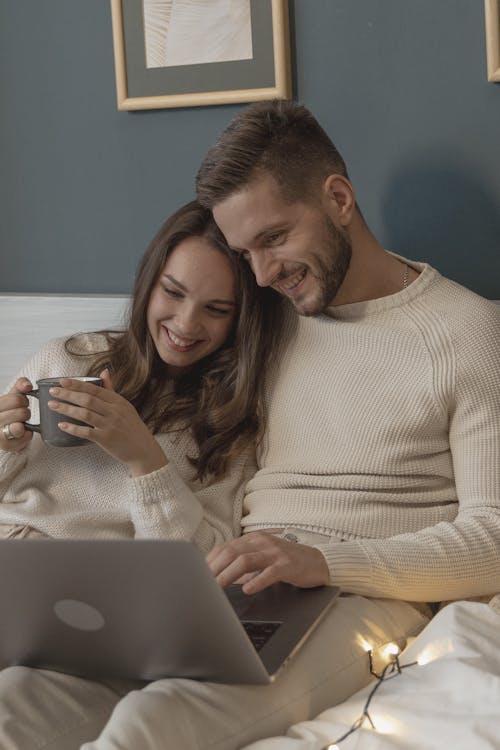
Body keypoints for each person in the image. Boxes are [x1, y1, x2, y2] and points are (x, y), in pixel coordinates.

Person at [2, 102, 500, 749]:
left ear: (339, 198)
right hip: (231, 579)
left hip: (355, 593)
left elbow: (493, 538)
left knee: (153, 726)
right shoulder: (264, 322)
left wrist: (326, 561)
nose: (262, 274)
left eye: (274, 240)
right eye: (245, 252)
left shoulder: (465, 333)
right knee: (17, 703)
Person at [0, 200, 281, 550]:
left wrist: (145, 459)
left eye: (216, 309)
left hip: (103, 583)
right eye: (173, 292)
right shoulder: (67, 360)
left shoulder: (231, 424)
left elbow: (199, 560)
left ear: (240, 320)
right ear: (148, 284)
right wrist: (5, 447)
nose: (185, 324)